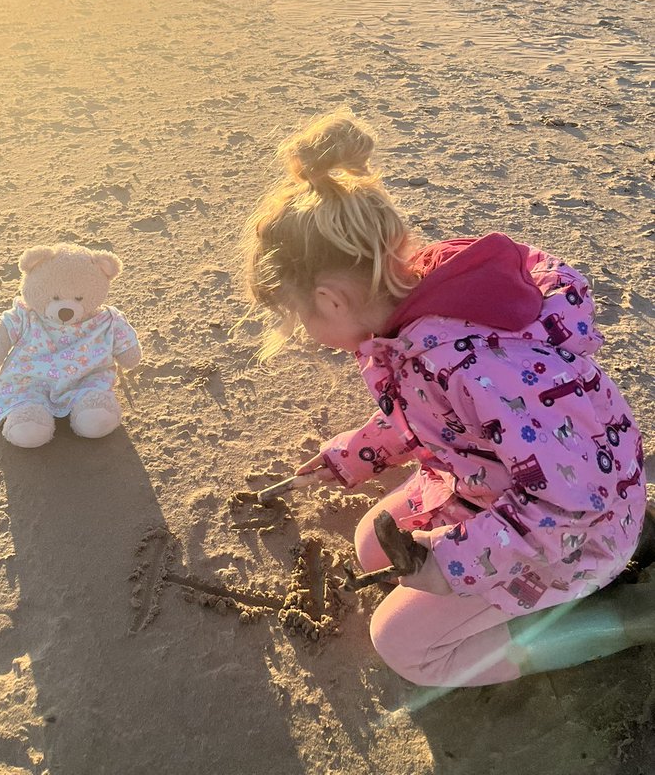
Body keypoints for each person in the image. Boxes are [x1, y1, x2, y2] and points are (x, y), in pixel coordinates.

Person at [241, 109, 652, 687]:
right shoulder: (418, 317)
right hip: (503, 483)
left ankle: (624, 619)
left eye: (294, 318)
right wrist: (354, 454)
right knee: (373, 549)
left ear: (332, 300)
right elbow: (438, 419)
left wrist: (451, 562)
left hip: (579, 525)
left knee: (405, 647)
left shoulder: (472, 363)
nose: (305, 335)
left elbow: (568, 501)